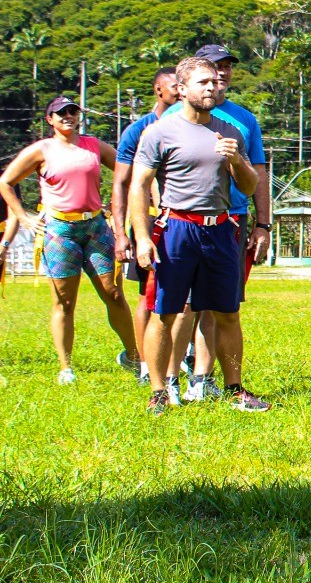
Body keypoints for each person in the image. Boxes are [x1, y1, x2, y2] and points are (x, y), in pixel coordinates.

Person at [131, 57, 266, 414]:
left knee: (228, 313)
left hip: (220, 228)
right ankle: (159, 391)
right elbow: (139, 185)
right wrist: (142, 237)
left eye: (215, 82)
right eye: (203, 82)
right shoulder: (160, 131)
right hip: (176, 228)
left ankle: (235, 389)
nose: (212, 87)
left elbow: (249, 185)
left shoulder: (230, 131)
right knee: (165, 313)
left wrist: (236, 161)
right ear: (181, 88)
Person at [0, 96, 140, 384]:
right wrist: (23, 217)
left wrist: (122, 203)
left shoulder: (94, 146)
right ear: (49, 119)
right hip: (59, 230)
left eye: (72, 111)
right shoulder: (41, 150)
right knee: (64, 300)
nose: (67, 116)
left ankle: (134, 358)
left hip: (95, 226)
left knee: (113, 293)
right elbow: (6, 182)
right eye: (60, 113)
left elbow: (127, 173)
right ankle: (66, 368)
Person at [112, 67, 179, 383]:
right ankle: (143, 364)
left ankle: (181, 360)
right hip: (150, 218)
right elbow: (121, 183)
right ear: (158, 90)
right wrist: (121, 234)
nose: (180, 91)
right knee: (147, 295)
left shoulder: (193, 125)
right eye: (174, 86)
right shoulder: (138, 130)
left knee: (187, 299)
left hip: (184, 220)